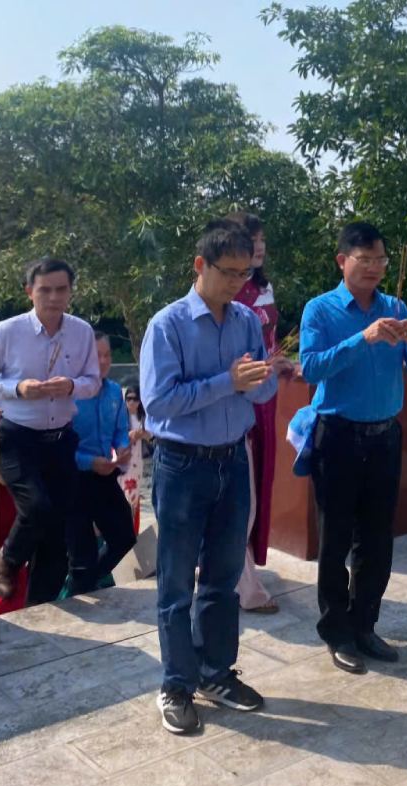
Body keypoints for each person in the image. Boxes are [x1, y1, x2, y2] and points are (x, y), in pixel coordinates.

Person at [139, 219, 278, 735]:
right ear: (200, 266)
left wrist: (265, 378)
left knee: (221, 579)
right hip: (181, 465)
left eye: (246, 273)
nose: (238, 283)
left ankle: (216, 672)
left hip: (231, 459)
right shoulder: (168, 325)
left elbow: (258, 392)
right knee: (176, 583)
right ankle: (176, 682)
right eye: (228, 273)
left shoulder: (245, 320)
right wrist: (228, 382)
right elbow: (160, 402)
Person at [298, 221, 407, 674]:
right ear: (343, 261)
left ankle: (365, 625)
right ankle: (337, 632)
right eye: (365, 259)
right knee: (335, 539)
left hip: (384, 436)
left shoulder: (396, 305)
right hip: (337, 435)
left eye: (381, 260)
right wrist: (365, 337)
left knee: (377, 540)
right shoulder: (320, 310)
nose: (375, 268)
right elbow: (311, 368)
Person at [0, 258, 101, 605]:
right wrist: (19, 388)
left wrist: (71, 385)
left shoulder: (81, 332)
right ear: (30, 291)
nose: (53, 297)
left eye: (61, 289)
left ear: (71, 292)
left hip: (60, 439)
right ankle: (8, 559)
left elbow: (93, 382)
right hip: (17, 437)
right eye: (45, 290)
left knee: (57, 534)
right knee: (37, 508)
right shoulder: (7, 332)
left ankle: (40, 605)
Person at [225, 211, 295, 613]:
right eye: (252, 239)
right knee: (242, 494)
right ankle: (244, 584)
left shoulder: (261, 288)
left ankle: (234, 568)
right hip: (238, 398)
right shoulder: (226, 295)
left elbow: (266, 344)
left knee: (257, 484)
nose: (260, 246)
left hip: (266, 397)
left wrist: (276, 361)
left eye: (262, 239)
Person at [64, 331, 137, 596]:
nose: (104, 361)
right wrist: (88, 462)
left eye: (107, 355)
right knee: (80, 555)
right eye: (97, 356)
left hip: (105, 474)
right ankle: (79, 586)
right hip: (74, 479)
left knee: (125, 538)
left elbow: (120, 430)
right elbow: (60, 447)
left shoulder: (116, 392)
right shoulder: (69, 395)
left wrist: (121, 447)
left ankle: (84, 584)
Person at [119, 379, 151, 535]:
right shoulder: (120, 418)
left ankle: (132, 531)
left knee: (134, 496)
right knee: (121, 495)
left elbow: (151, 436)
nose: (131, 402)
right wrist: (130, 435)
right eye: (128, 398)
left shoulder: (143, 418)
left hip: (137, 463)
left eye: (135, 398)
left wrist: (142, 433)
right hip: (122, 462)